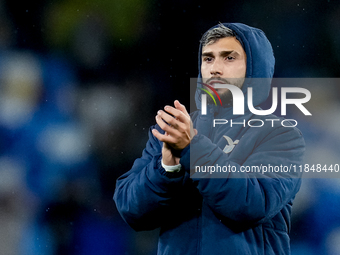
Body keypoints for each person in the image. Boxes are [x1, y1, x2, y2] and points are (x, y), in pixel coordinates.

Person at [113, 23, 305, 255]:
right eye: (208, 59)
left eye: (229, 58)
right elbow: (131, 210)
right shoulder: (174, 129)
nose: (215, 68)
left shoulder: (280, 135)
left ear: (255, 69)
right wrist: (167, 169)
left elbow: (252, 203)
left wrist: (192, 149)